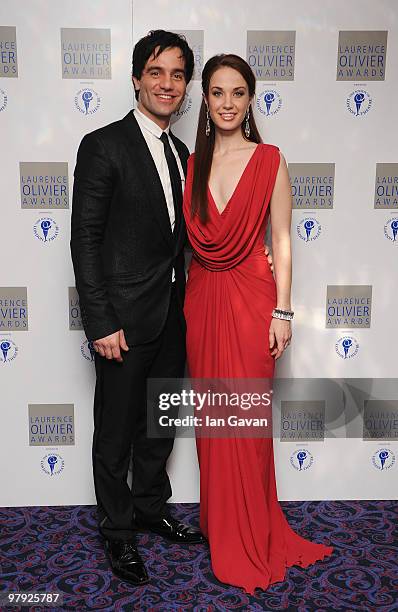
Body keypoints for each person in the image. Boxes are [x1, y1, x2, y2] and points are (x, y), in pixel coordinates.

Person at [183, 54, 334, 594]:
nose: (227, 103)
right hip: (202, 300)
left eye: (238, 93)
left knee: (243, 424)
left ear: (251, 100)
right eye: (218, 93)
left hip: (252, 299)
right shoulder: (191, 163)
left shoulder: (269, 159)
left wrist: (284, 310)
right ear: (206, 99)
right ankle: (220, 525)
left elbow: (282, 240)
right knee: (212, 427)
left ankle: (250, 535)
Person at [70, 30, 207, 586]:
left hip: (176, 314)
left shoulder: (183, 153)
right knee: (117, 432)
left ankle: (151, 508)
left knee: (161, 424)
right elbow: (85, 240)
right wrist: (100, 321)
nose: (167, 84)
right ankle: (118, 531)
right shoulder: (104, 145)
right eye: (156, 72)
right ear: (136, 79)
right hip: (123, 321)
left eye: (177, 74)